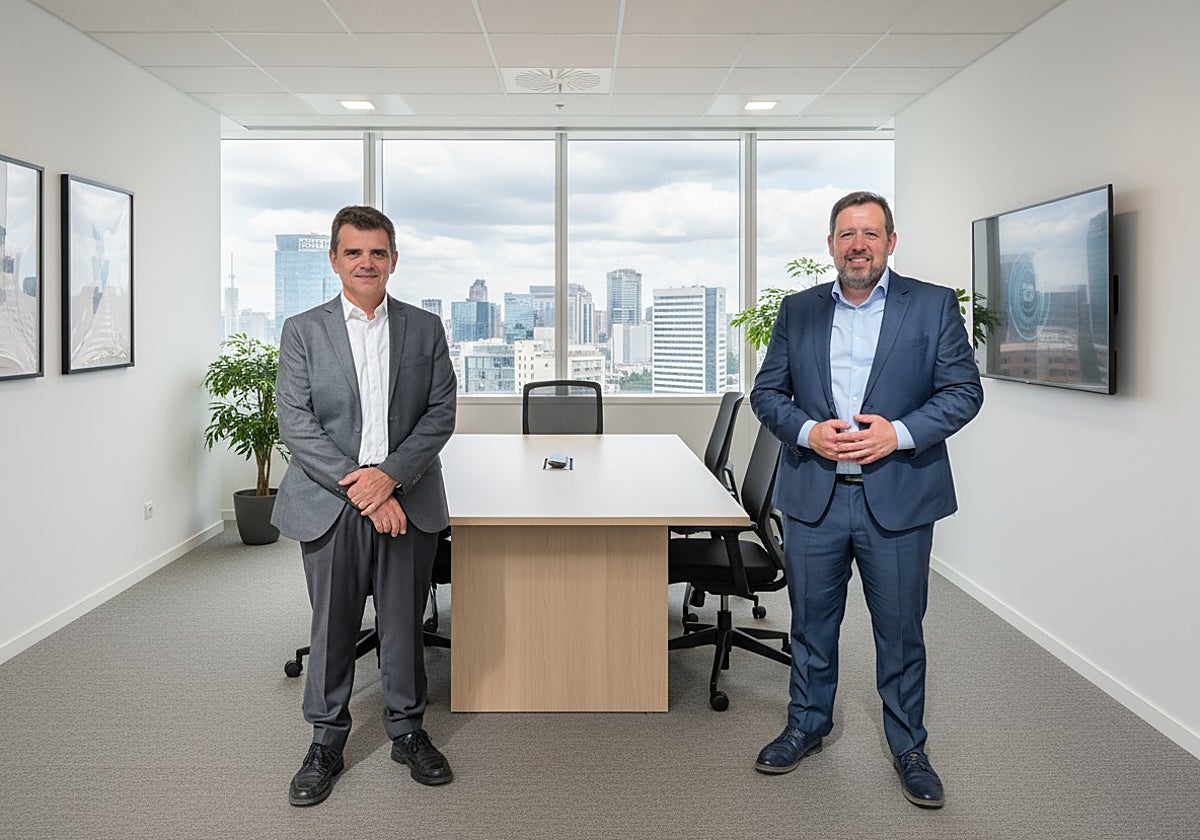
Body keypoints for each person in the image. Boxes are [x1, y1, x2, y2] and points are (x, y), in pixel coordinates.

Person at [749, 191, 983, 808]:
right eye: (847, 234)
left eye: (871, 234)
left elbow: (963, 391)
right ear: (830, 244)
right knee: (810, 626)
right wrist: (806, 431)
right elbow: (767, 392)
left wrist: (897, 434)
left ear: (891, 242)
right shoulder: (798, 310)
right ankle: (807, 724)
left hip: (899, 498)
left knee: (901, 631)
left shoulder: (932, 306)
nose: (859, 245)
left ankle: (909, 746)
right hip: (814, 498)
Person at [272, 205, 458, 806]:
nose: (366, 263)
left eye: (377, 252)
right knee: (333, 626)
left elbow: (440, 415)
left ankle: (407, 730)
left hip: (408, 497)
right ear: (334, 259)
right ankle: (326, 740)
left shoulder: (425, 328)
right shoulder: (303, 330)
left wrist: (392, 479)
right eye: (353, 252)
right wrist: (364, 486)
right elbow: (296, 425)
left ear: (394, 260)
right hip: (333, 502)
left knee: (404, 622)